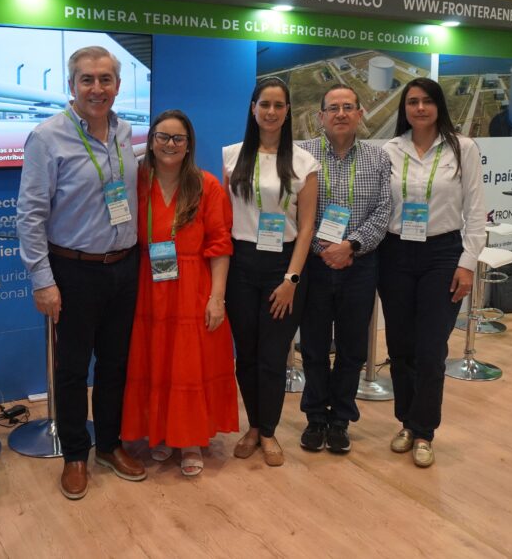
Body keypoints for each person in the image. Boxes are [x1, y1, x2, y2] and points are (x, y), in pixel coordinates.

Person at [17, 45, 146, 500]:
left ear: (117, 85)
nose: (97, 88)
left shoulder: (125, 131)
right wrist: (43, 280)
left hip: (124, 267)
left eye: (105, 79)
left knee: (115, 364)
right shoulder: (46, 137)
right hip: (73, 271)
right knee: (72, 369)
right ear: (71, 85)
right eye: (87, 79)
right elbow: (30, 214)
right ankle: (75, 454)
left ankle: (108, 445)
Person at [121, 110, 239, 476]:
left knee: (187, 365)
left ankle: (189, 440)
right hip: (147, 286)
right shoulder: (135, 182)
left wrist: (217, 298)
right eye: (163, 136)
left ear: (189, 145)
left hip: (192, 287)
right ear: (151, 141)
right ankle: (160, 433)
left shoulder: (207, 186)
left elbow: (220, 246)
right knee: (155, 360)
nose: (170, 144)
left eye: (178, 138)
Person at [377, 77, 485, 468]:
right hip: (395, 252)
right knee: (400, 346)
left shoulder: (463, 148)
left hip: (442, 253)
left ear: (439, 105)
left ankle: (424, 430)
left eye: (426, 101)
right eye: (412, 102)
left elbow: (476, 211)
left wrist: (468, 264)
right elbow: (379, 205)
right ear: (404, 108)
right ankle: (406, 423)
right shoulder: (390, 149)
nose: (419, 108)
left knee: (431, 348)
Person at [223, 77, 319, 467]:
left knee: (273, 355)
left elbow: (307, 227)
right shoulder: (232, 156)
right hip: (241, 264)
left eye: (279, 105)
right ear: (253, 108)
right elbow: (226, 219)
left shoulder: (303, 162)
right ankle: (253, 426)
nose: (271, 111)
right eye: (265, 104)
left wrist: (291, 280)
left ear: (288, 111)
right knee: (246, 355)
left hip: (284, 265)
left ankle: (269, 431)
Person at [296, 84, 392, 454]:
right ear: (321, 116)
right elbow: (294, 208)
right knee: (315, 346)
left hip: (359, 264)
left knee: (352, 348)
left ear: (359, 114)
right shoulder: (303, 154)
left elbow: (383, 211)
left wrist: (350, 246)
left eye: (348, 107)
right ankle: (315, 417)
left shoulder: (378, 157)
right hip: (315, 265)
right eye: (333, 108)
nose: (340, 114)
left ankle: (340, 420)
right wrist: (323, 251)